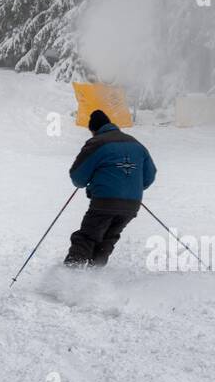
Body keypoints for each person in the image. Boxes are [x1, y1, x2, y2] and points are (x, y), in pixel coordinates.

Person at [63, 110, 157, 268]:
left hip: (104, 202)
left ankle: (69, 277)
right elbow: (150, 175)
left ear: (93, 129)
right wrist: (131, 188)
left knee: (86, 237)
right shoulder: (136, 144)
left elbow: (78, 177)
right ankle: (95, 275)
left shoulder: (97, 143)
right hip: (132, 204)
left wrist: (89, 183)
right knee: (107, 239)